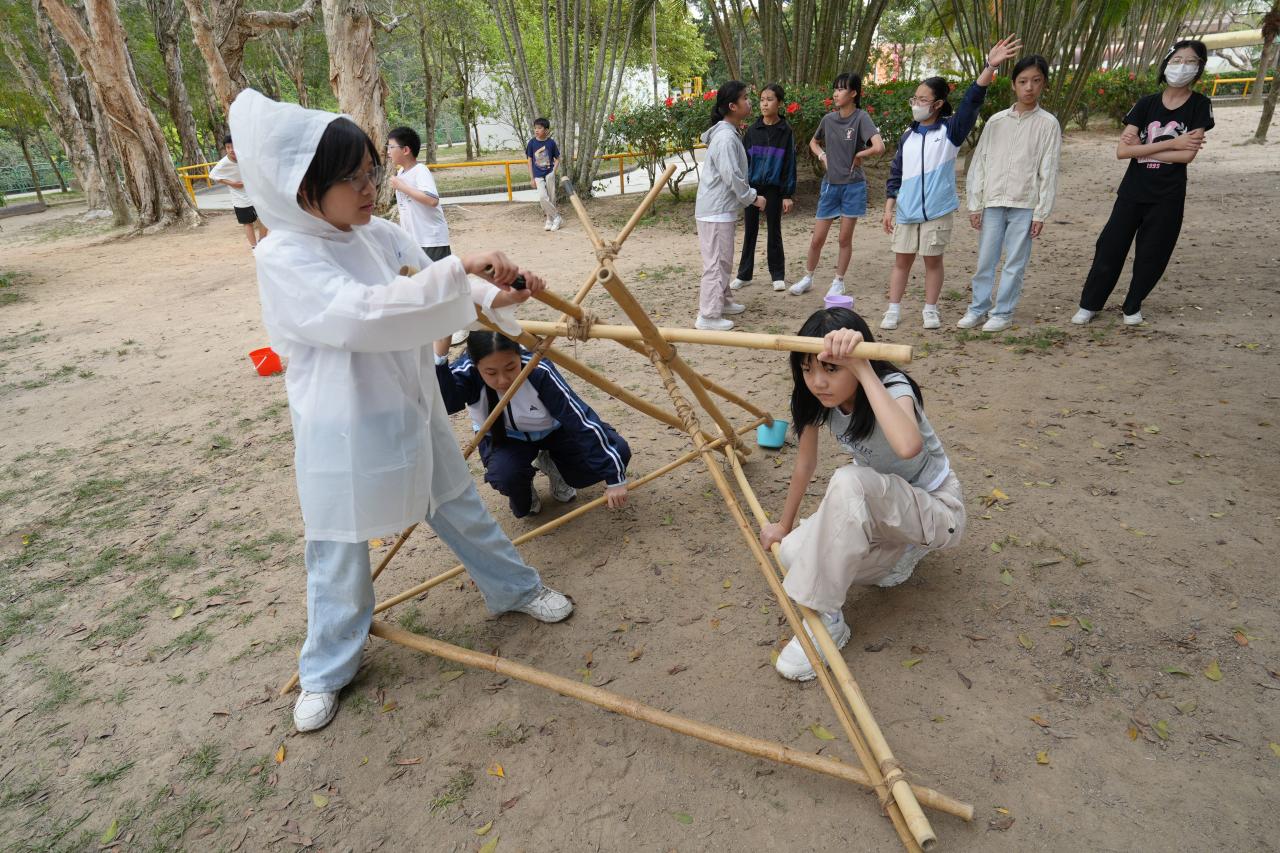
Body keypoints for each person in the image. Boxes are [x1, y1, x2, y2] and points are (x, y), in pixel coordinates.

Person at [228, 89, 575, 735]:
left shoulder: (379, 233)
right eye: (353, 178)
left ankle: (515, 588)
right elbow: (363, 315)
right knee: (339, 546)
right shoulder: (284, 255)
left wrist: (498, 291)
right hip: (342, 425)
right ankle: (327, 667)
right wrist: (459, 273)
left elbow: (435, 284)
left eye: (371, 172)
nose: (370, 188)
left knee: (459, 504)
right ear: (305, 189)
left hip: (411, 404)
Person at [759, 308, 964, 681]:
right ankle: (898, 555)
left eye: (831, 369)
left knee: (850, 479)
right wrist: (783, 526)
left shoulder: (893, 387)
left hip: (936, 509)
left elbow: (908, 446)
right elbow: (805, 464)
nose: (818, 382)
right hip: (883, 511)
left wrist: (862, 368)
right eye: (807, 369)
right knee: (790, 552)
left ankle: (828, 619)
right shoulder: (816, 401)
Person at [881, 35, 1022, 331]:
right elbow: (896, 173)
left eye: (922, 100)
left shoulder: (950, 132)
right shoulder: (908, 136)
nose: (916, 104)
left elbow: (972, 101)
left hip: (937, 210)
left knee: (932, 261)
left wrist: (989, 67)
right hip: (906, 210)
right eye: (915, 99)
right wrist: (889, 206)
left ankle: (930, 309)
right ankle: (893, 309)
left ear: (938, 104)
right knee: (901, 260)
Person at [1072, 40, 1214, 327]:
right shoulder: (1146, 104)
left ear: (1199, 68)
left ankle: (1132, 305)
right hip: (1132, 192)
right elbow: (1122, 151)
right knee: (1110, 246)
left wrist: (1142, 149)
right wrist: (1173, 143)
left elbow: (1187, 156)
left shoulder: (1200, 105)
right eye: (1177, 60)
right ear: (1166, 64)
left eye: (1191, 61)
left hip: (1168, 195)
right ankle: (1090, 304)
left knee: (1153, 253)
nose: (1182, 67)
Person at [433, 331, 631, 518]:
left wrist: (614, 478)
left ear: (519, 355)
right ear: (476, 365)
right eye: (491, 373)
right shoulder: (467, 372)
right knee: (508, 479)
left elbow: (579, 419)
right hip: (505, 437)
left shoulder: (537, 368)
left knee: (618, 451)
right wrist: (440, 359)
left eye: (511, 368)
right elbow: (449, 404)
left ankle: (554, 465)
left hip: (552, 431)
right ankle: (523, 483)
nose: (503, 380)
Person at [959, 55, 1062, 332]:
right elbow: (980, 163)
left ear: (1044, 84)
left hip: (1024, 204)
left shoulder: (1048, 124)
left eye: (1036, 81)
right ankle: (977, 308)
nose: (1029, 87)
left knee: (1014, 263)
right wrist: (975, 203)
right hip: (992, 201)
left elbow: (1048, 169)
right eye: (1023, 81)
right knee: (985, 260)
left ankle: (1003, 313)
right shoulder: (996, 121)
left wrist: (1041, 212)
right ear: (1013, 85)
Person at [790, 73, 884, 299]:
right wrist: (822, 155)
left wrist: (860, 154)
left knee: (844, 239)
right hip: (830, 185)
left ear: (853, 93)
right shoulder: (828, 119)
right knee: (817, 238)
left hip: (853, 186)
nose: (835, 93)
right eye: (835, 89)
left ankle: (838, 281)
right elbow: (814, 142)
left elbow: (879, 147)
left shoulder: (861, 118)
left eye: (841, 89)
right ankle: (808, 277)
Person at [694, 81, 767, 332]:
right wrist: (752, 197)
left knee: (722, 259)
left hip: (719, 209)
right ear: (732, 106)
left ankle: (722, 301)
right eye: (745, 98)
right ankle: (708, 315)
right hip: (715, 210)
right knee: (716, 262)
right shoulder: (725, 137)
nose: (750, 102)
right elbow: (732, 176)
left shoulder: (729, 133)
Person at [387, 126, 466, 346]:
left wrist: (402, 186)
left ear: (405, 150)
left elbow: (432, 200)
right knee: (422, 285)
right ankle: (436, 327)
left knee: (440, 284)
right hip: (414, 240)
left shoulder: (419, 171)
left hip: (431, 238)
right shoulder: (401, 174)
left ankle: (458, 325)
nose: (388, 151)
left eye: (391, 147)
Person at [729, 83, 797, 294]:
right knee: (750, 230)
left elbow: (789, 163)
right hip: (753, 187)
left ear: (780, 103)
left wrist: (787, 194)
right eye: (762, 100)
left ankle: (777, 275)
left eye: (770, 99)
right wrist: (743, 189)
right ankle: (744, 275)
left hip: (774, 188)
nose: (764, 104)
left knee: (774, 231)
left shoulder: (785, 131)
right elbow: (743, 162)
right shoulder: (752, 131)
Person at [209, 134, 267, 249]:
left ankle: (262, 242)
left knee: (265, 219)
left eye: (233, 146)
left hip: (256, 194)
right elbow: (212, 175)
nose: (231, 150)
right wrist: (232, 184)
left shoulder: (247, 158)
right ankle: (254, 246)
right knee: (247, 223)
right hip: (240, 198)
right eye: (228, 147)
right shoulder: (223, 163)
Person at [526, 118, 562, 231]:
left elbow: (558, 159)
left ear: (546, 130)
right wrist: (532, 178)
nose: (536, 130)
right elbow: (529, 161)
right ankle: (557, 217)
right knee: (543, 197)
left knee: (551, 197)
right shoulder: (532, 143)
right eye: (535, 128)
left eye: (539, 128)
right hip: (537, 175)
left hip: (549, 174)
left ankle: (549, 220)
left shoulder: (551, 143)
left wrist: (553, 172)